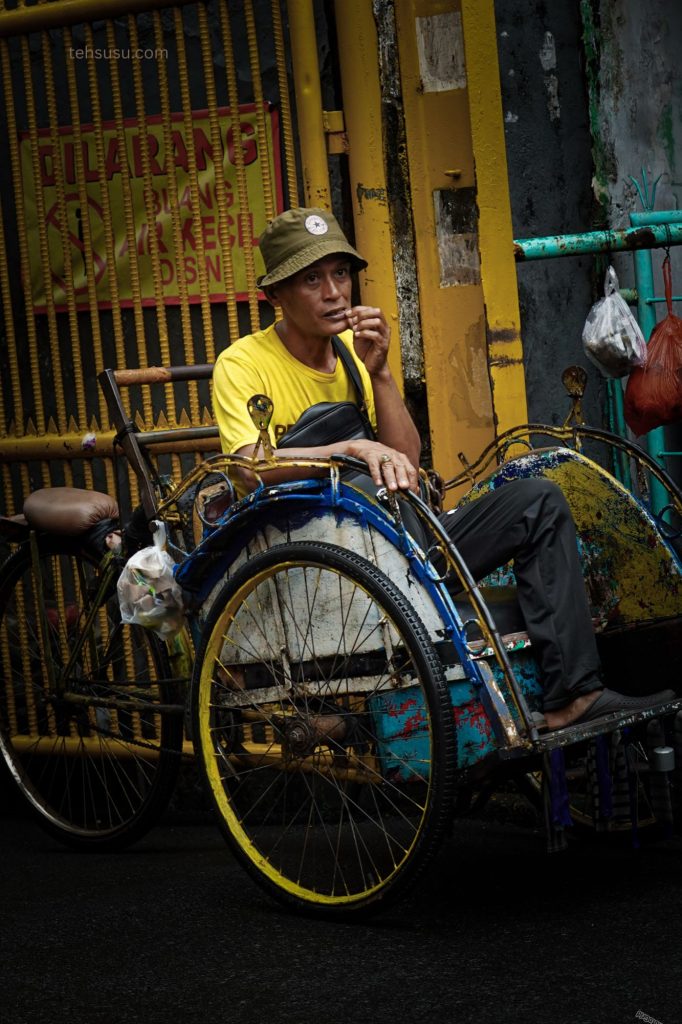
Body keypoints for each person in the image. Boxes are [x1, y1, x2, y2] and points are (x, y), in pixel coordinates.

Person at [212, 206, 674, 730]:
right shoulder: (243, 363)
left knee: (537, 500)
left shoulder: (349, 356)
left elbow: (405, 458)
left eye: (340, 273)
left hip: (406, 540)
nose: (334, 292)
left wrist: (381, 372)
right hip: (336, 567)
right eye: (311, 279)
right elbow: (249, 467)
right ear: (275, 295)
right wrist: (354, 449)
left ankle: (573, 695)